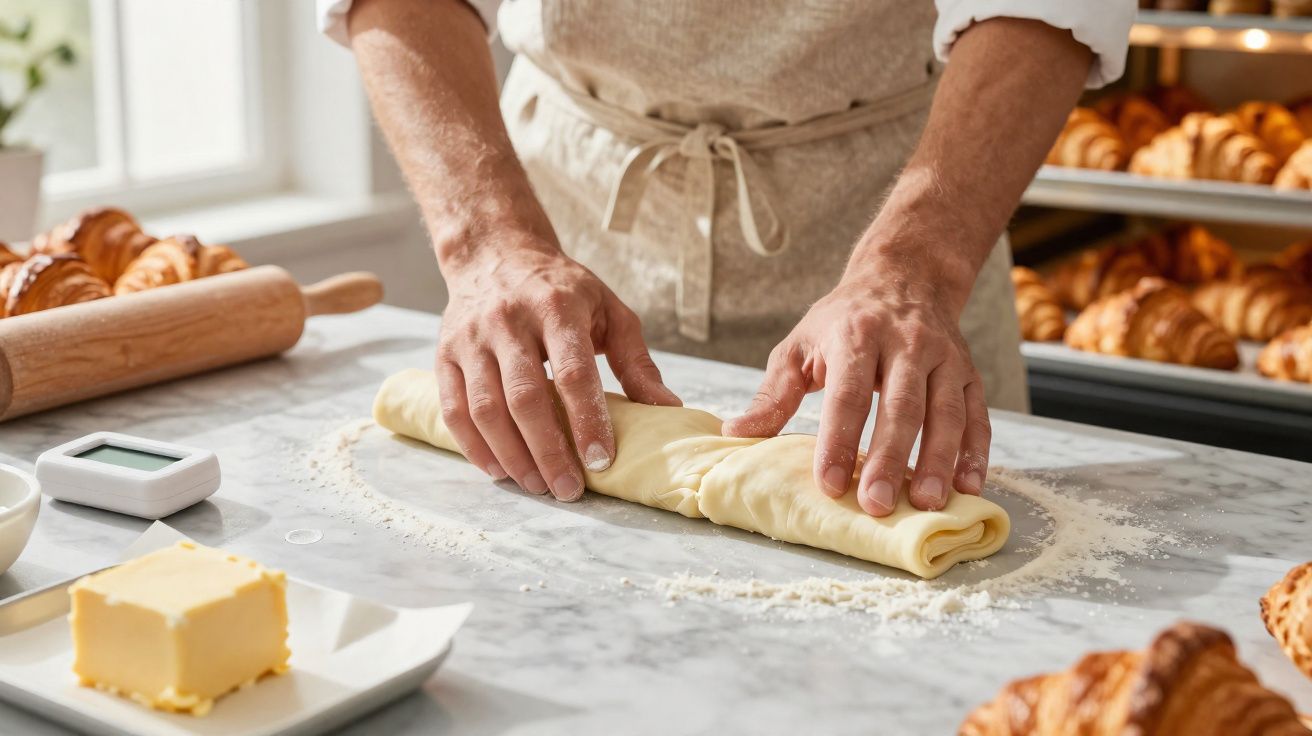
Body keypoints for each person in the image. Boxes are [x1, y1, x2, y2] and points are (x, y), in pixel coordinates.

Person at [321, 0, 1134, 517]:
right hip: (567, 236)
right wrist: (488, 243)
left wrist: (913, 270)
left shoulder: (914, 268)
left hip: (906, 232)